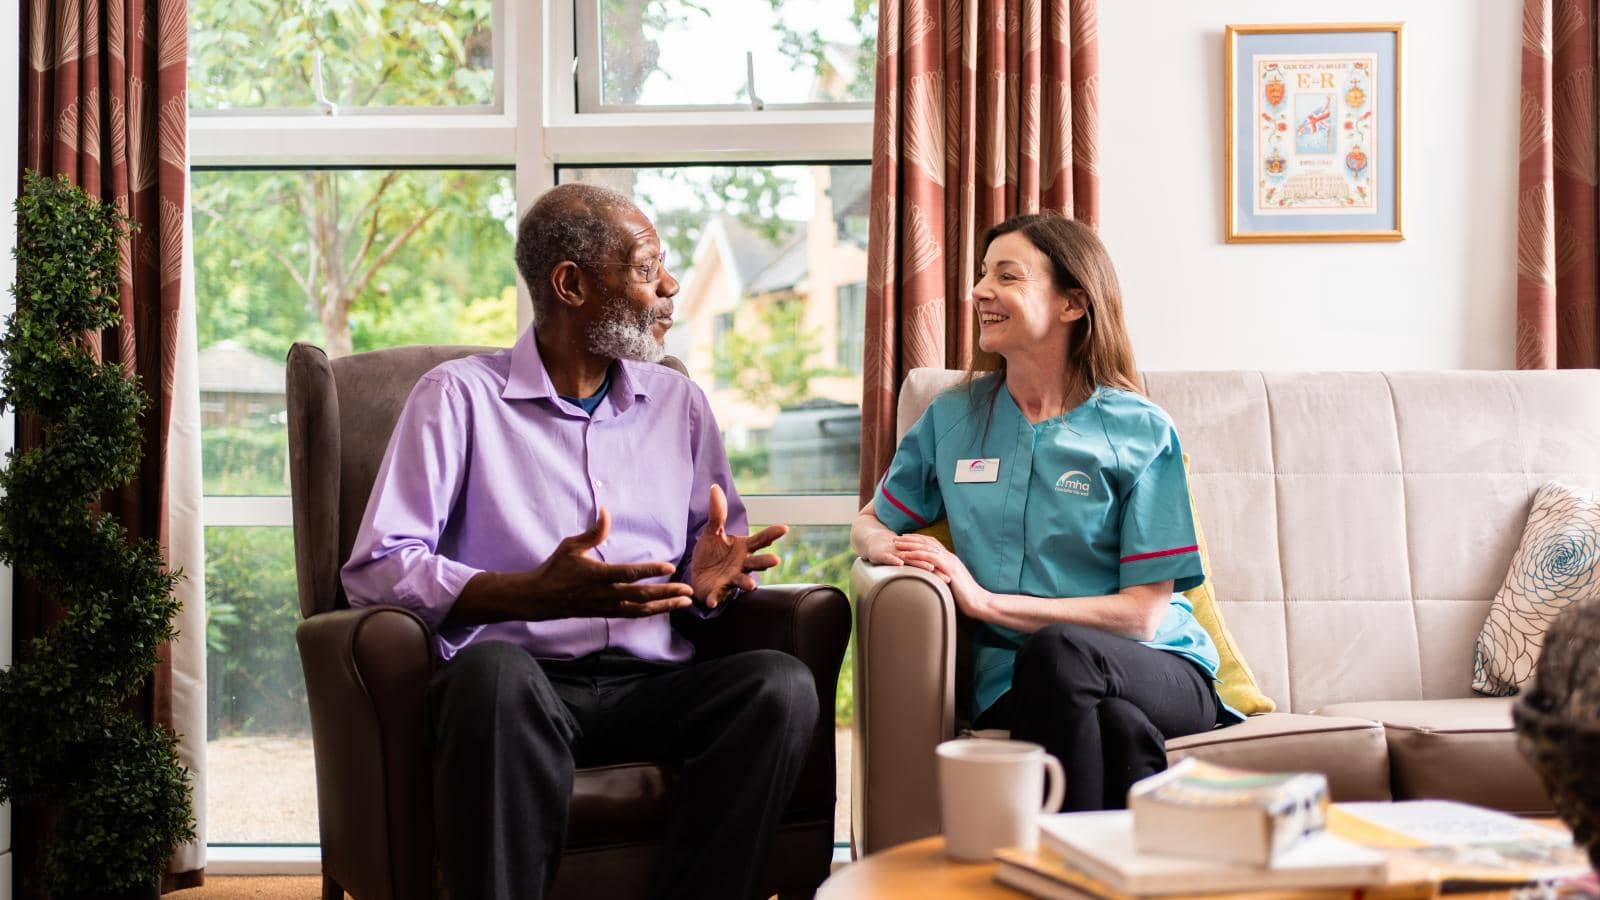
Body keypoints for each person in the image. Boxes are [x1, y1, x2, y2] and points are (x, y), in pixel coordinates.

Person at [342, 182, 819, 900]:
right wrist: (526, 594)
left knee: (780, 688)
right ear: (570, 283)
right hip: (520, 690)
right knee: (493, 678)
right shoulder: (456, 399)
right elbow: (378, 568)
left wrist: (709, 582)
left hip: (651, 687)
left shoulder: (679, 404)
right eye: (645, 266)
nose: (669, 284)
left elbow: (708, 553)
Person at [851, 212, 1242, 812]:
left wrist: (983, 602)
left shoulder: (1139, 431)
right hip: (1011, 680)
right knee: (1116, 726)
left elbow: (1141, 617)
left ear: (1073, 304)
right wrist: (884, 547)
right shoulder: (953, 419)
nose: (980, 291)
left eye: (1008, 277)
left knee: (1061, 652)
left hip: (1158, 666)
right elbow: (872, 519)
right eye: (982, 275)